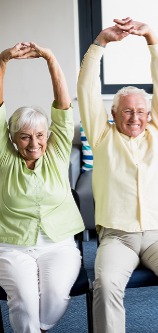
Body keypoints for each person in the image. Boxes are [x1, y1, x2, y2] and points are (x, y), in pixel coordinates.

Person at [77, 18, 158, 333]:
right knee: (105, 284)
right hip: (118, 236)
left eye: (142, 111)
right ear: (114, 114)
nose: (136, 117)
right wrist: (99, 44)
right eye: (128, 111)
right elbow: (87, 88)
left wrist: (151, 39)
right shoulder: (102, 137)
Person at [0, 42, 84, 332]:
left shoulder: (57, 153)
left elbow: (62, 107)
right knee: (23, 298)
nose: (34, 144)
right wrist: (3, 61)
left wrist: (50, 57)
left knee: (56, 296)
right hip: (12, 247)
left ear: (48, 136)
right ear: (12, 139)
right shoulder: (4, 159)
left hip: (58, 244)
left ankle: (39, 328)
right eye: (24, 137)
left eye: (39, 135)